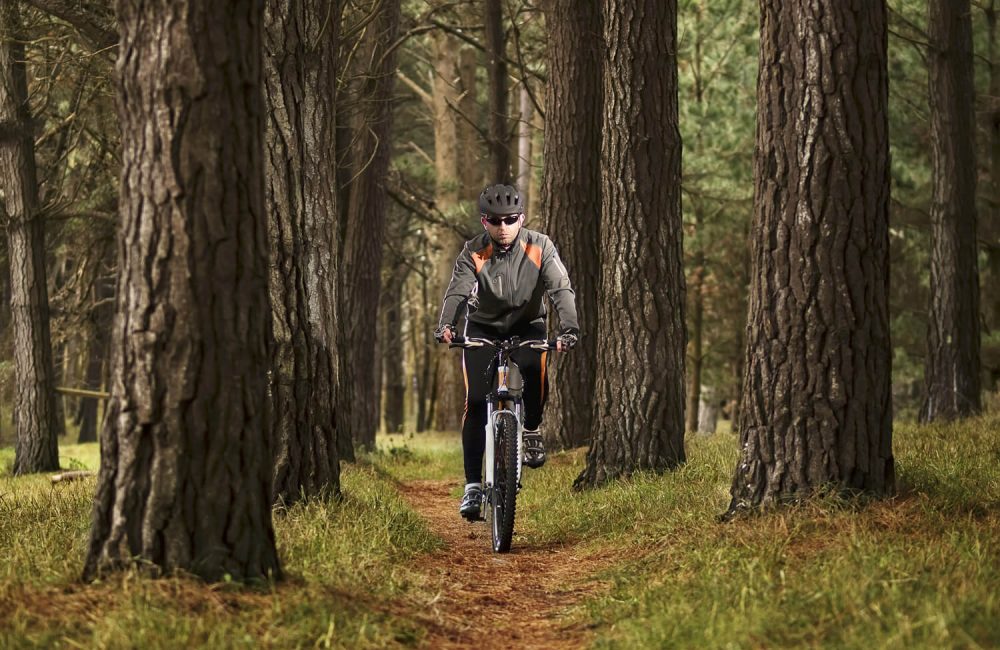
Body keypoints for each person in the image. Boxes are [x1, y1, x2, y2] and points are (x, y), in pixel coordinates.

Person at [435, 183, 579, 519]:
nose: (504, 227)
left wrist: (569, 329)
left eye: (511, 219)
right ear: (484, 222)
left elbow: (560, 288)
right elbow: (457, 291)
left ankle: (531, 429)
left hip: (528, 326)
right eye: (496, 221)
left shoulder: (540, 246)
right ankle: (473, 486)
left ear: (521, 218)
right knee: (475, 401)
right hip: (483, 329)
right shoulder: (474, 251)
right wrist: (446, 325)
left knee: (533, 370)